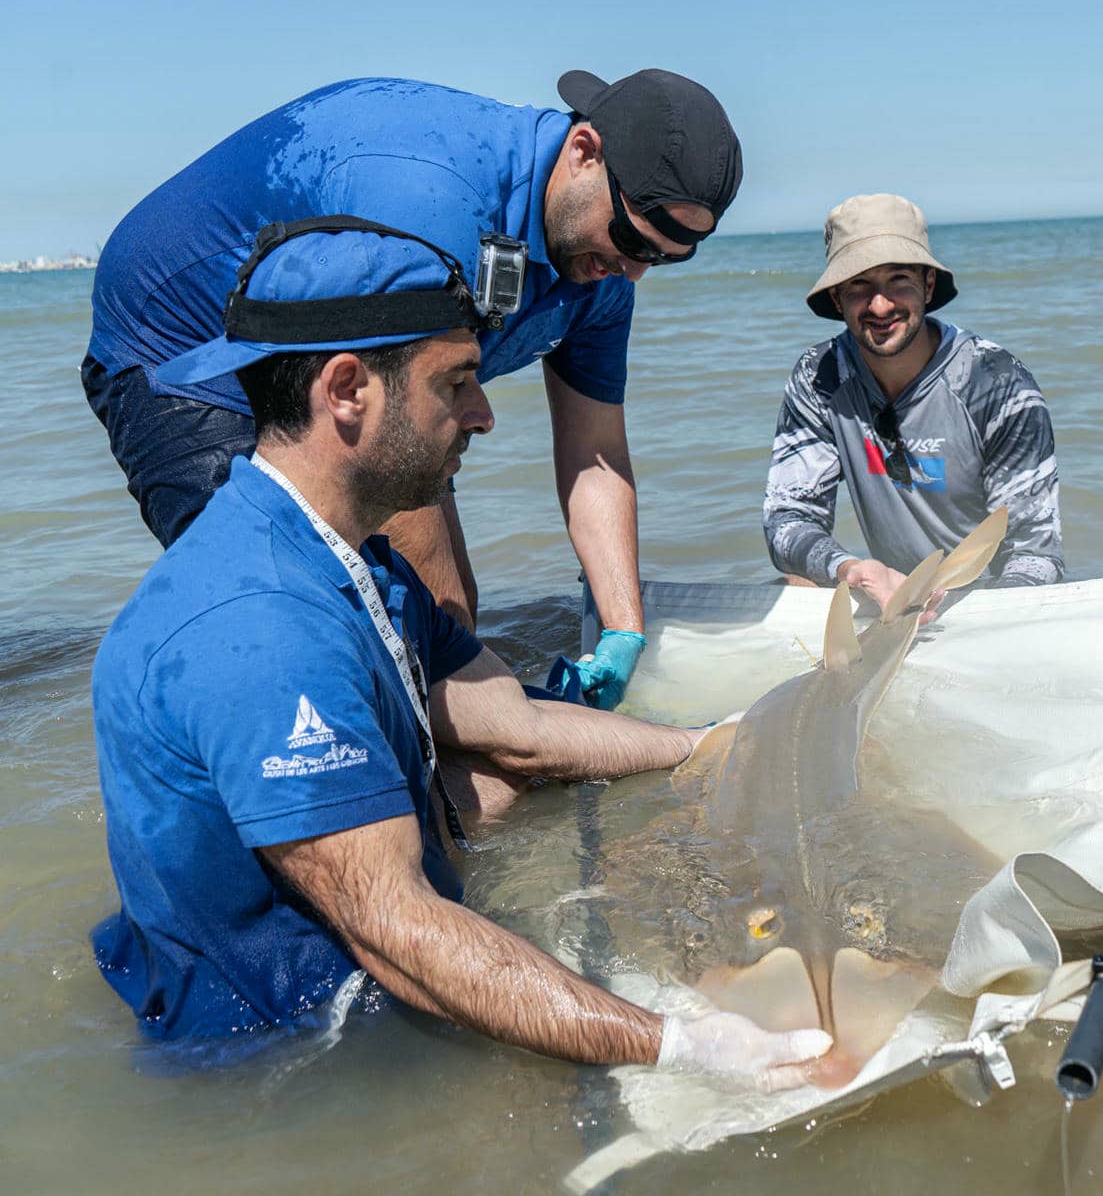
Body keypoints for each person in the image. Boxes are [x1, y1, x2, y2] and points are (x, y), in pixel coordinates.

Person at [88, 220, 830, 1090]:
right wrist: (678, 1045)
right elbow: (398, 936)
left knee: (509, 783)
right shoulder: (264, 633)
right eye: (457, 383)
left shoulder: (348, 553)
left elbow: (512, 726)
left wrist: (712, 741)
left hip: (364, 945)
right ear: (346, 390)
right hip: (284, 1048)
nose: (482, 414)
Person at [84, 68, 743, 709]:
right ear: (583, 152)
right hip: (186, 346)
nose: (632, 272)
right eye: (630, 237)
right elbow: (386, 436)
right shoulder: (434, 205)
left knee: (447, 626)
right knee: (321, 624)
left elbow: (596, 451)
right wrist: (477, 691)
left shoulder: (602, 275)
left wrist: (623, 629)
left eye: (662, 257)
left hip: (391, 379)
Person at [764, 194, 1063, 607]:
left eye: (898, 280)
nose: (880, 305)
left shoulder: (997, 384)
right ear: (836, 299)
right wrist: (848, 568)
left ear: (927, 284)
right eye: (859, 285)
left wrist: (992, 618)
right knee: (785, 591)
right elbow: (787, 519)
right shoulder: (821, 377)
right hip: (885, 595)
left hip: (991, 605)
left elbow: (1035, 553)